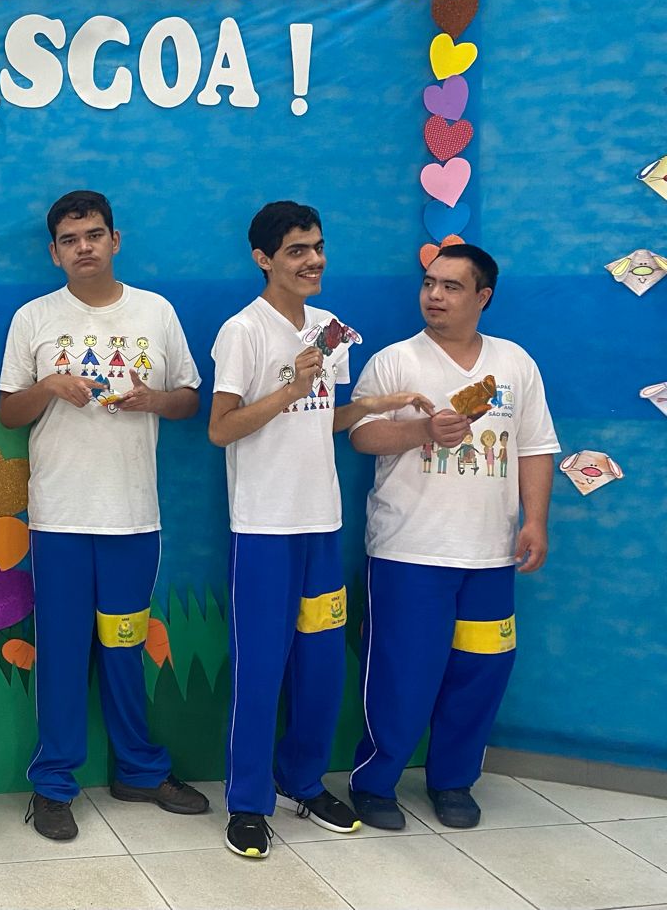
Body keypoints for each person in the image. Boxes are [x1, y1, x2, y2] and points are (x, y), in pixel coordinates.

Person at [207, 202, 424, 859]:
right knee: (260, 669)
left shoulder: (330, 329)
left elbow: (321, 418)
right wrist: (289, 386)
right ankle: (248, 802)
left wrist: (373, 405)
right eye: (298, 250)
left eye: (319, 247)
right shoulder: (243, 331)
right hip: (263, 526)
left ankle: (301, 780)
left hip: (321, 522)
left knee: (323, 666)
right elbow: (221, 428)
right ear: (264, 259)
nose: (314, 260)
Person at [0, 190, 209, 842]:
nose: (83, 247)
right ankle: (53, 783)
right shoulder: (34, 317)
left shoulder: (156, 312)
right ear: (54, 252)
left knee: (124, 649)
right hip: (60, 518)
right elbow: (9, 410)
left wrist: (154, 400)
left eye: (93, 234)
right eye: (70, 239)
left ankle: (139, 770)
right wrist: (47, 387)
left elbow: (189, 399)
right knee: (62, 655)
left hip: (133, 518)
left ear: (115, 240)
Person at [346, 244, 558, 830]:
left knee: (481, 672)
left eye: (451, 286)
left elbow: (535, 447)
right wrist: (423, 430)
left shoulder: (515, 363)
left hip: (490, 554)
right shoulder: (394, 361)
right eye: (429, 283)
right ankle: (375, 782)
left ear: (482, 297)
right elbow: (361, 436)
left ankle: (454, 781)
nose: (434, 295)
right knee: (402, 671)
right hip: (408, 550)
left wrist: (535, 520)